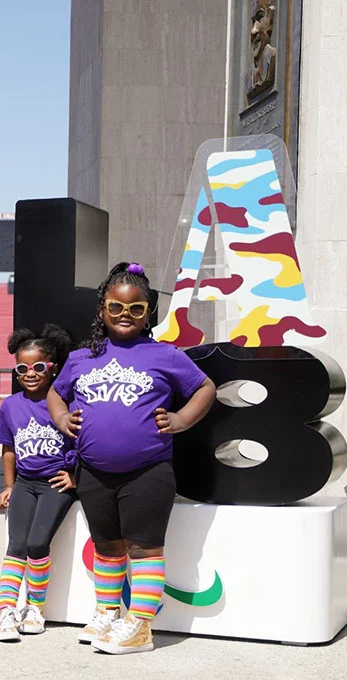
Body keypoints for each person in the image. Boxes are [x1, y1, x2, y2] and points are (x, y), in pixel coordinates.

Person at [48, 262, 216, 654]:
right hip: (93, 472)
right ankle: (107, 612)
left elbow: (205, 387)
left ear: (148, 313)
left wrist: (180, 419)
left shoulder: (165, 355)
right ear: (102, 310)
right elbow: (57, 393)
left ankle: (140, 625)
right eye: (116, 308)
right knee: (107, 547)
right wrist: (60, 416)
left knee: (144, 548)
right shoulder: (80, 357)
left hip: (148, 471)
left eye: (136, 309)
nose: (125, 315)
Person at [0, 324, 77, 642]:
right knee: (16, 545)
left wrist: (75, 475)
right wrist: (9, 485)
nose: (30, 373)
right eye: (22, 368)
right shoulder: (11, 405)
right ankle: (5, 611)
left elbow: (83, 442)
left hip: (55, 484)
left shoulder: (64, 402)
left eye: (38, 367)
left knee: (38, 544)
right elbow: (9, 448)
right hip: (25, 483)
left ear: (53, 369)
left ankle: (34, 609)